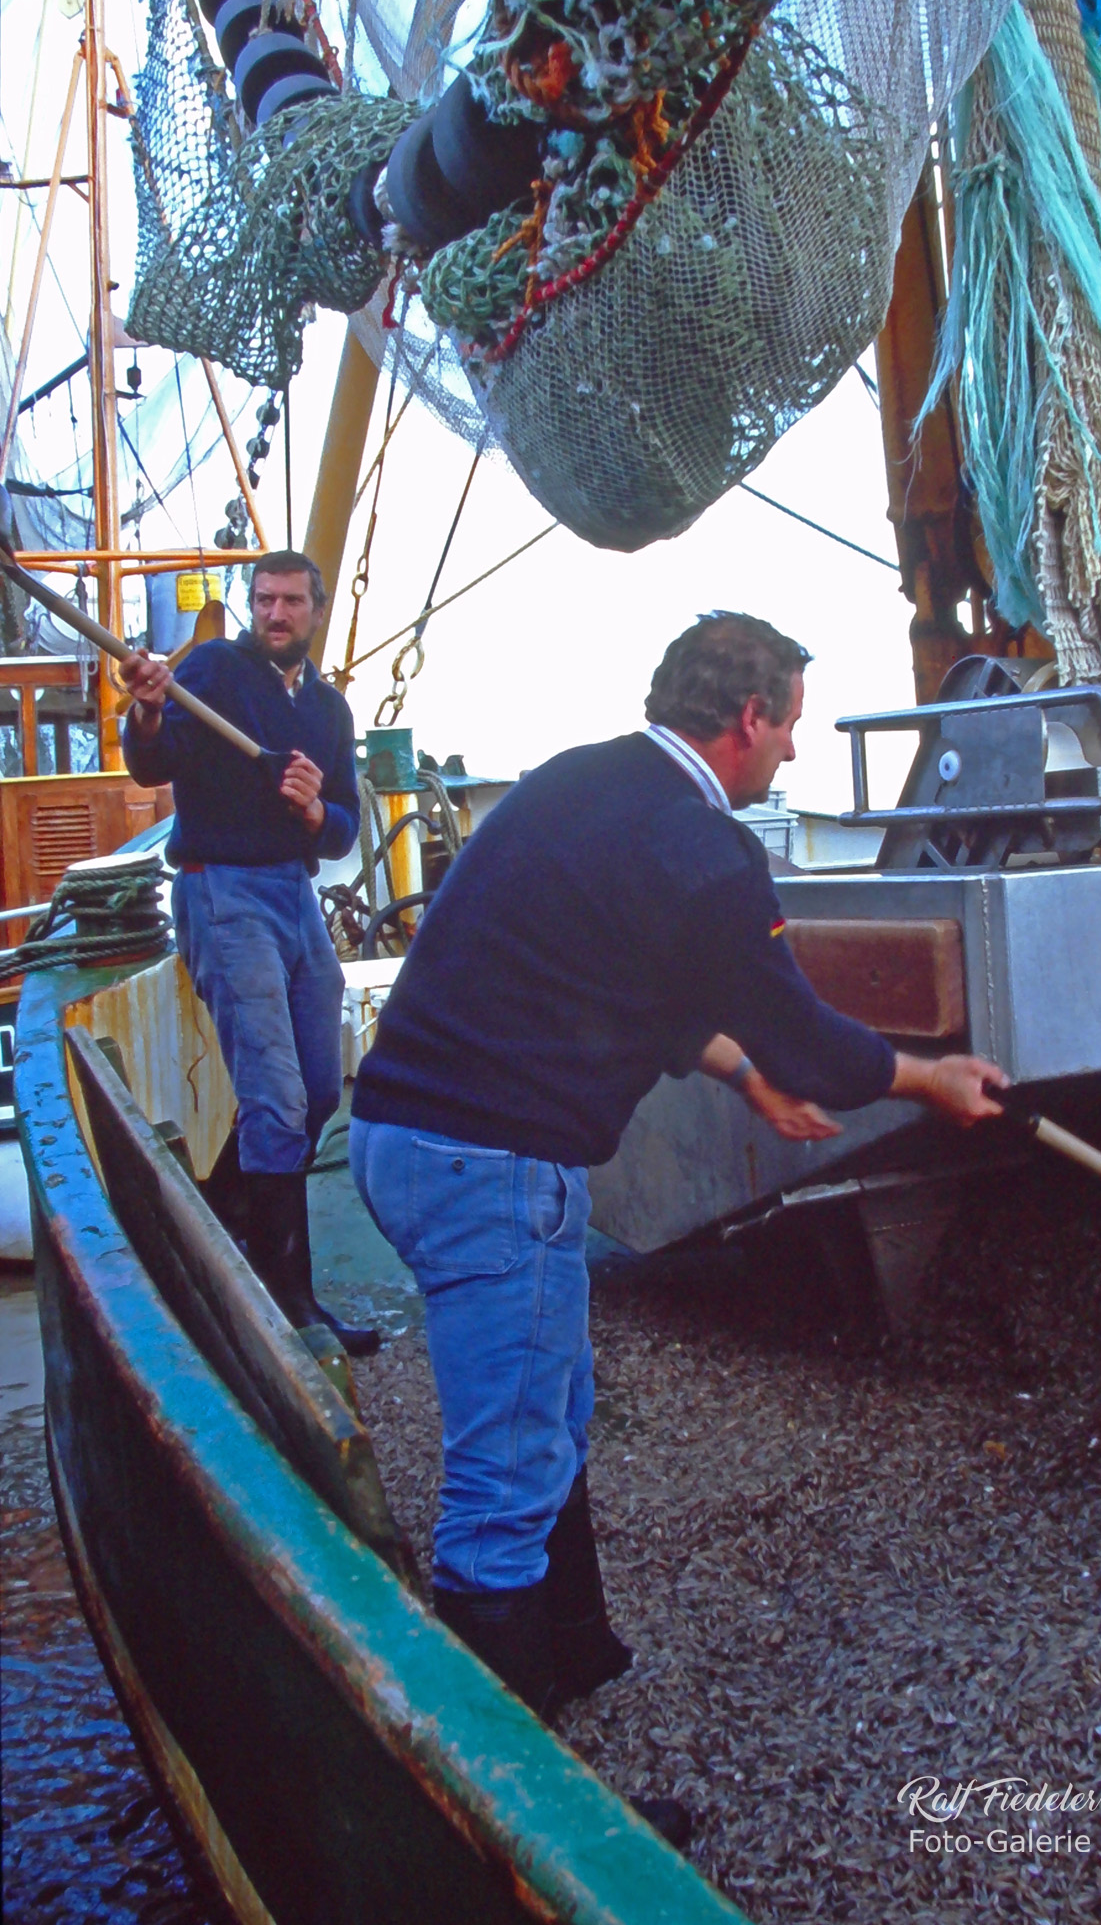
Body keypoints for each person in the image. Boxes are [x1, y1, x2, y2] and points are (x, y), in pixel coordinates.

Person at [349, 613, 1006, 1727]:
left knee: (553, 1400)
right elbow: (811, 1040)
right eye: (792, 725)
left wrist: (740, 1071)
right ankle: (504, 1795)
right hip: (487, 1164)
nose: (796, 752)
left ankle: (573, 1654)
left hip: (406, 1137)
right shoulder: (704, 846)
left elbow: (593, 976)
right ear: (749, 719)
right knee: (501, 1479)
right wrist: (927, 1076)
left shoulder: (576, 782)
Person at [120, 550, 378, 1356]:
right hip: (222, 891)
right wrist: (151, 710)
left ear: (315, 611)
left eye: (291, 601)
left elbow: (343, 826)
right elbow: (151, 762)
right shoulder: (214, 672)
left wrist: (310, 814)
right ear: (250, 604)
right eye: (263, 599)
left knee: (315, 1089)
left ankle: (222, 1221)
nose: (275, 613)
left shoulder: (329, 711)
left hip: (294, 896)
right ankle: (293, 1304)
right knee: (271, 1096)